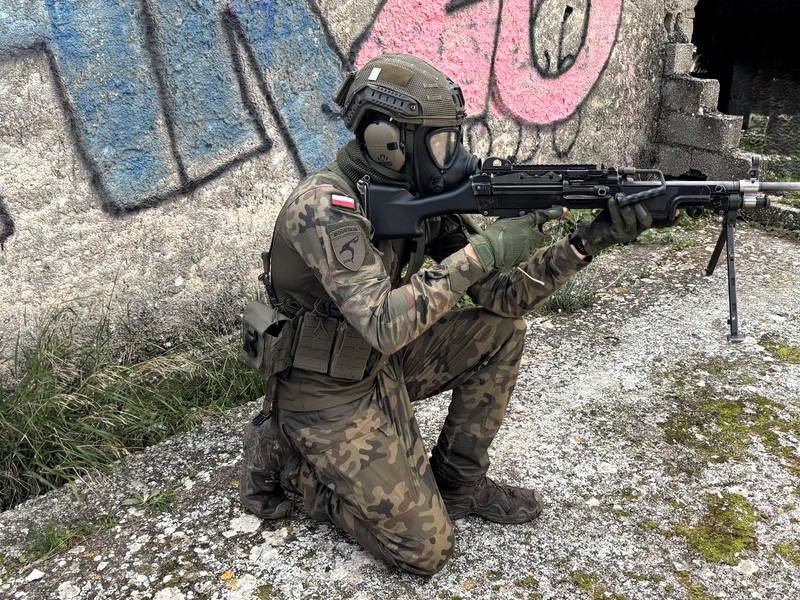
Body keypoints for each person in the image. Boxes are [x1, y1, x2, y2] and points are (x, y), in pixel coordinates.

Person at [238, 53, 652, 575]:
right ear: (387, 142)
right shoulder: (323, 207)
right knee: (425, 551)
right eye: (439, 141)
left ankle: (460, 483)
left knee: (501, 331)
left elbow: (501, 297)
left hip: (381, 365)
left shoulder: (413, 196)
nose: (451, 155)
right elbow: (384, 323)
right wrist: (485, 250)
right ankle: (289, 462)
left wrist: (584, 244)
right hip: (323, 389)